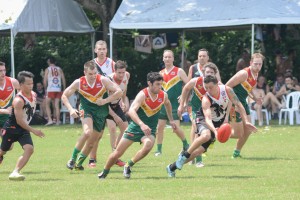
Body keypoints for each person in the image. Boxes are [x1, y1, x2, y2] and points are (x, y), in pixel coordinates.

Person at [166, 75, 257, 177]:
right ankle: (184, 155)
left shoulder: (227, 90)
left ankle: (171, 167)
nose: (208, 90)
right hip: (203, 119)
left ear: (217, 84)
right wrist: (215, 130)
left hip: (218, 122)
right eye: (206, 88)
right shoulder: (206, 98)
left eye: (210, 87)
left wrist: (246, 121)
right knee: (206, 135)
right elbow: (208, 119)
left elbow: (239, 105)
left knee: (198, 152)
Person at [97, 72, 177, 179]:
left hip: (149, 130)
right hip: (135, 128)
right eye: (157, 84)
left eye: (161, 84)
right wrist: (142, 124)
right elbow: (131, 111)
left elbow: (167, 104)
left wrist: (171, 120)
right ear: (150, 83)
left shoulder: (163, 95)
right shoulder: (142, 94)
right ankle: (104, 172)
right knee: (117, 153)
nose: (160, 87)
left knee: (148, 144)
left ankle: (128, 165)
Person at [64, 60, 122, 171]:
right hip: (86, 110)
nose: (93, 76)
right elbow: (64, 95)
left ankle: (78, 164)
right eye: (90, 74)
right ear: (84, 72)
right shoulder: (79, 82)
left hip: (101, 113)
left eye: (95, 73)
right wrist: (71, 109)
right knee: (87, 132)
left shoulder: (103, 80)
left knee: (91, 143)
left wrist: (105, 101)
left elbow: (119, 91)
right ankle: (72, 159)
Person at [0, 71, 45, 181]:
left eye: (32, 83)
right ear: (20, 85)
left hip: (23, 129)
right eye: (28, 84)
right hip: (11, 128)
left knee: (29, 149)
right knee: (3, 151)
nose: (31, 86)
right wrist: (34, 131)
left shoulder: (33, 95)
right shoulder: (18, 100)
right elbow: (19, 121)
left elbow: (30, 109)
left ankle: (15, 172)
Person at [88, 40, 123, 168]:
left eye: (104, 49)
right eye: (99, 49)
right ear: (95, 50)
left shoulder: (112, 63)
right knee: (98, 133)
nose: (102, 51)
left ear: (106, 50)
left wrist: (122, 100)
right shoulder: (91, 64)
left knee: (114, 128)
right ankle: (92, 159)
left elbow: (118, 82)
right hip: (97, 102)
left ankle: (115, 156)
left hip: (109, 101)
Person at [177, 62, 219, 168]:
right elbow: (186, 89)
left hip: (208, 112)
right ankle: (198, 160)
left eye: (211, 72)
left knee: (202, 134)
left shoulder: (218, 86)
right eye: (207, 72)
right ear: (203, 72)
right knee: (198, 130)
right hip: (194, 109)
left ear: (215, 74)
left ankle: (188, 153)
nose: (209, 74)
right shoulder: (196, 81)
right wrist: (182, 105)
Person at [226, 53, 264, 159]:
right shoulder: (244, 73)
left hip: (243, 101)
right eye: (256, 64)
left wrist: (255, 98)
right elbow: (227, 86)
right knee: (238, 133)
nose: (258, 66)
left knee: (248, 129)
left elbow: (249, 88)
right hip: (234, 102)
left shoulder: (255, 75)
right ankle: (214, 135)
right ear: (251, 63)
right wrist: (234, 103)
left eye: (260, 64)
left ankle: (236, 153)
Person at [154, 50, 189, 156]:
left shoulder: (179, 71)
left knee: (176, 129)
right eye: (166, 57)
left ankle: (186, 144)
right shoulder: (160, 73)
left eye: (169, 57)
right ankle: (158, 150)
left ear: (173, 58)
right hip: (162, 105)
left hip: (175, 106)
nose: (167, 59)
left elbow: (188, 85)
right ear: (163, 59)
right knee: (159, 127)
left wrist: (183, 98)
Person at [106, 60, 130, 167]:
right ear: (114, 71)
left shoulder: (126, 76)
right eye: (119, 73)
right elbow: (104, 101)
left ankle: (115, 153)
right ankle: (91, 159)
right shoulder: (108, 80)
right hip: (106, 107)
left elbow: (124, 91)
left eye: (123, 72)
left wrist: (124, 101)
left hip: (117, 105)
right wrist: (114, 116)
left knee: (126, 129)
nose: (121, 75)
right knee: (111, 128)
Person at [43, 57, 66, 125]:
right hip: (58, 88)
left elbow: (45, 80)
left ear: (49, 62)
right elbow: (63, 79)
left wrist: (45, 88)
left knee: (46, 104)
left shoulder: (48, 69)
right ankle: (57, 121)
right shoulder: (59, 69)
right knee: (56, 105)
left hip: (50, 89)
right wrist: (64, 88)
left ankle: (50, 120)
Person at [0, 61, 20, 129]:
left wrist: (18, 104)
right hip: (5, 112)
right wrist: (5, 111)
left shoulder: (12, 81)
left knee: (6, 138)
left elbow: (21, 93)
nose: (3, 73)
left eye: (4, 70)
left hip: (7, 118)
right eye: (0, 71)